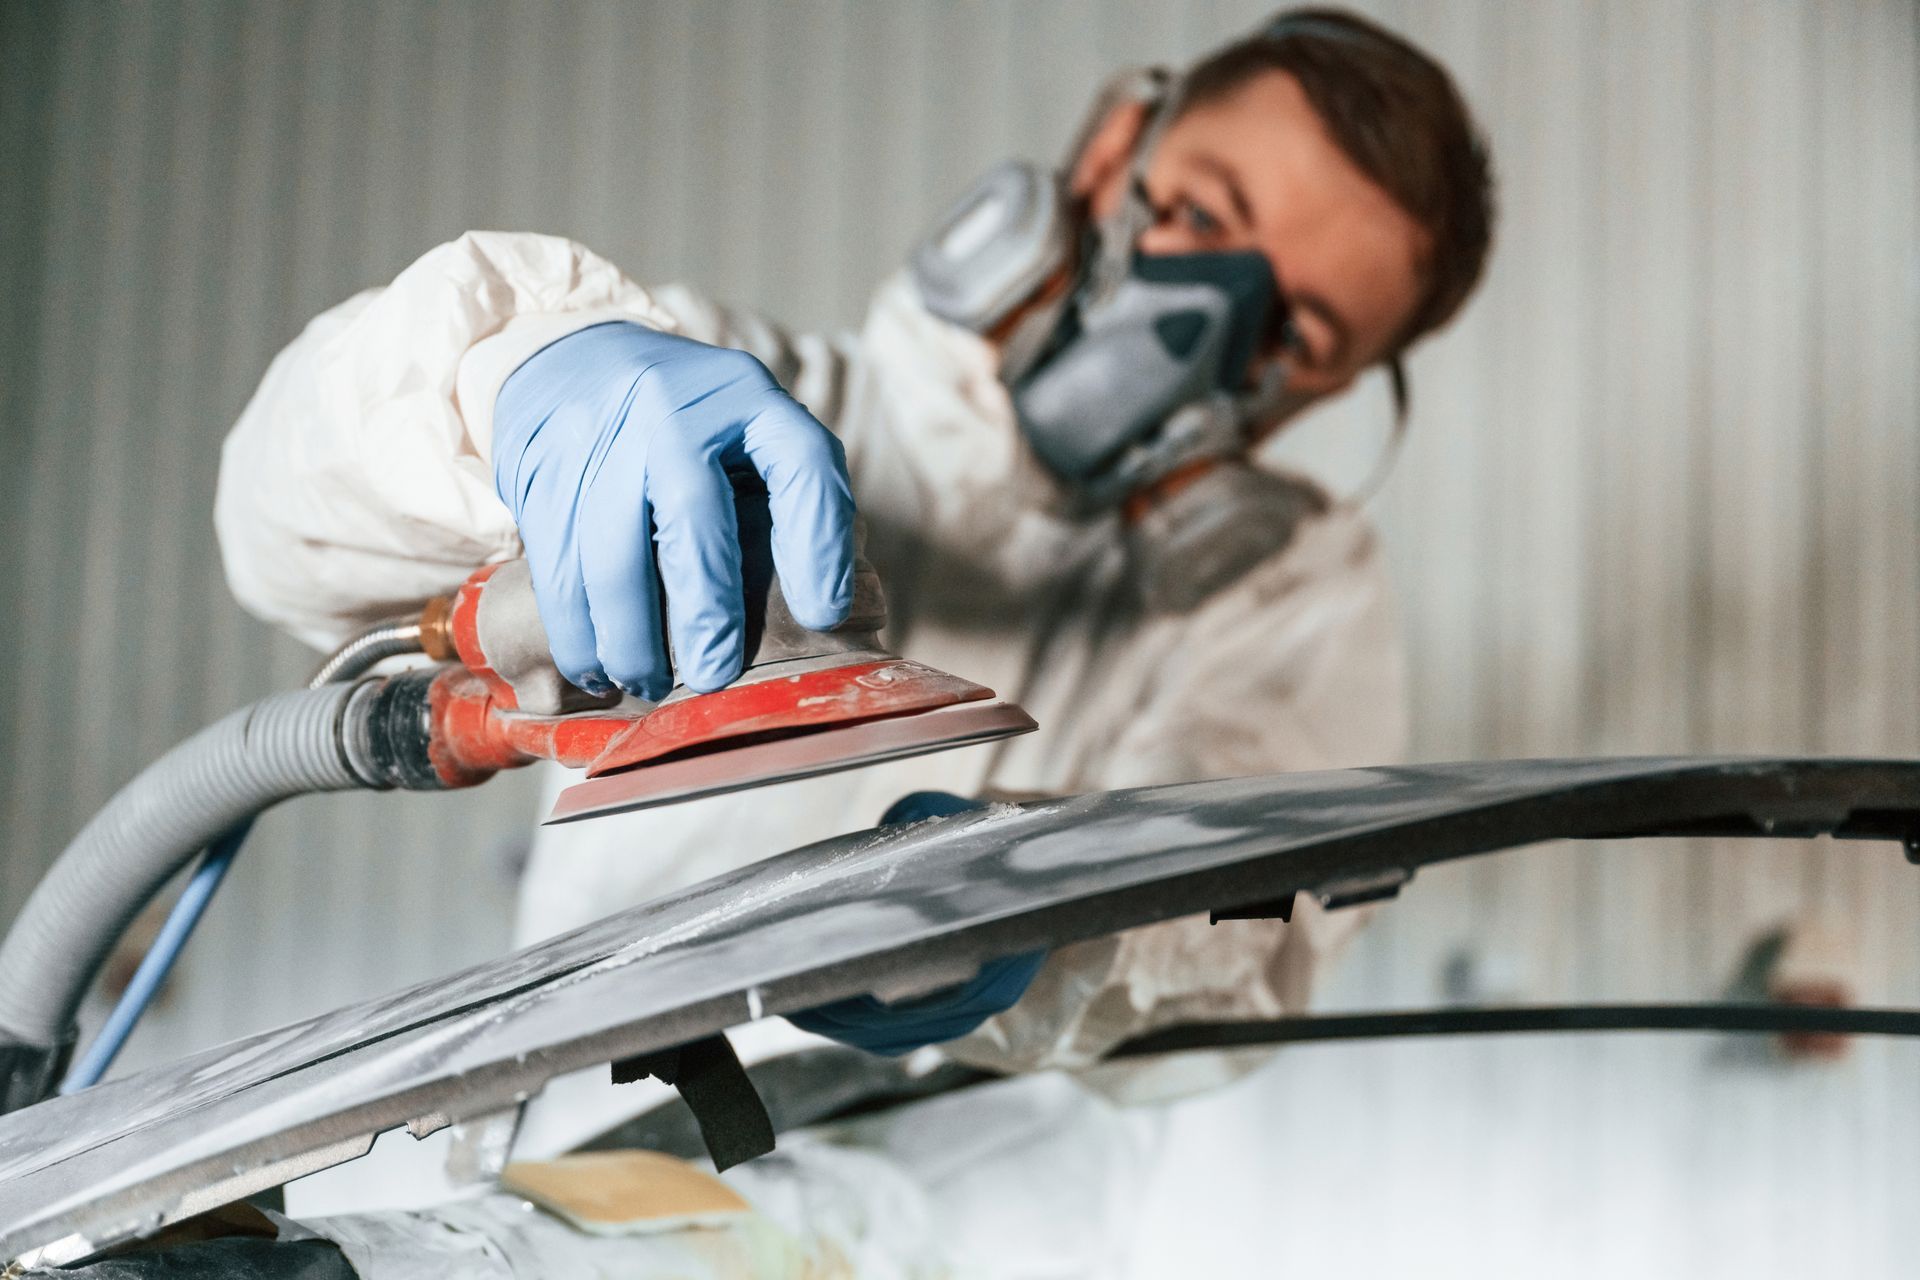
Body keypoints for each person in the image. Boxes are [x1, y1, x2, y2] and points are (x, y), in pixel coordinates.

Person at [216, 8, 1494, 1274]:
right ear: (1113, 149)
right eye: (1204, 218)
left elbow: (1257, 928)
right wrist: (518, 386)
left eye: (1293, 332)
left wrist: (1048, 925)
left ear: (1327, 394)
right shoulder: (729, 401)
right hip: (553, 1208)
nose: (1197, 328)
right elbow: (277, 530)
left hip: (955, 1228)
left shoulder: (1275, 600)